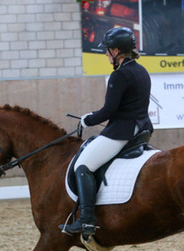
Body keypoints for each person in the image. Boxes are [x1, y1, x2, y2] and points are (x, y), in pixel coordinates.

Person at [61, 27, 154, 237]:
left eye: (107, 50)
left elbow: (108, 111)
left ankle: (86, 220)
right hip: (142, 128)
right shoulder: (141, 70)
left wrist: (87, 120)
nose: (105, 54)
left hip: (122, 132)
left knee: (83, 166)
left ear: (116, 51)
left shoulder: (119, 75)